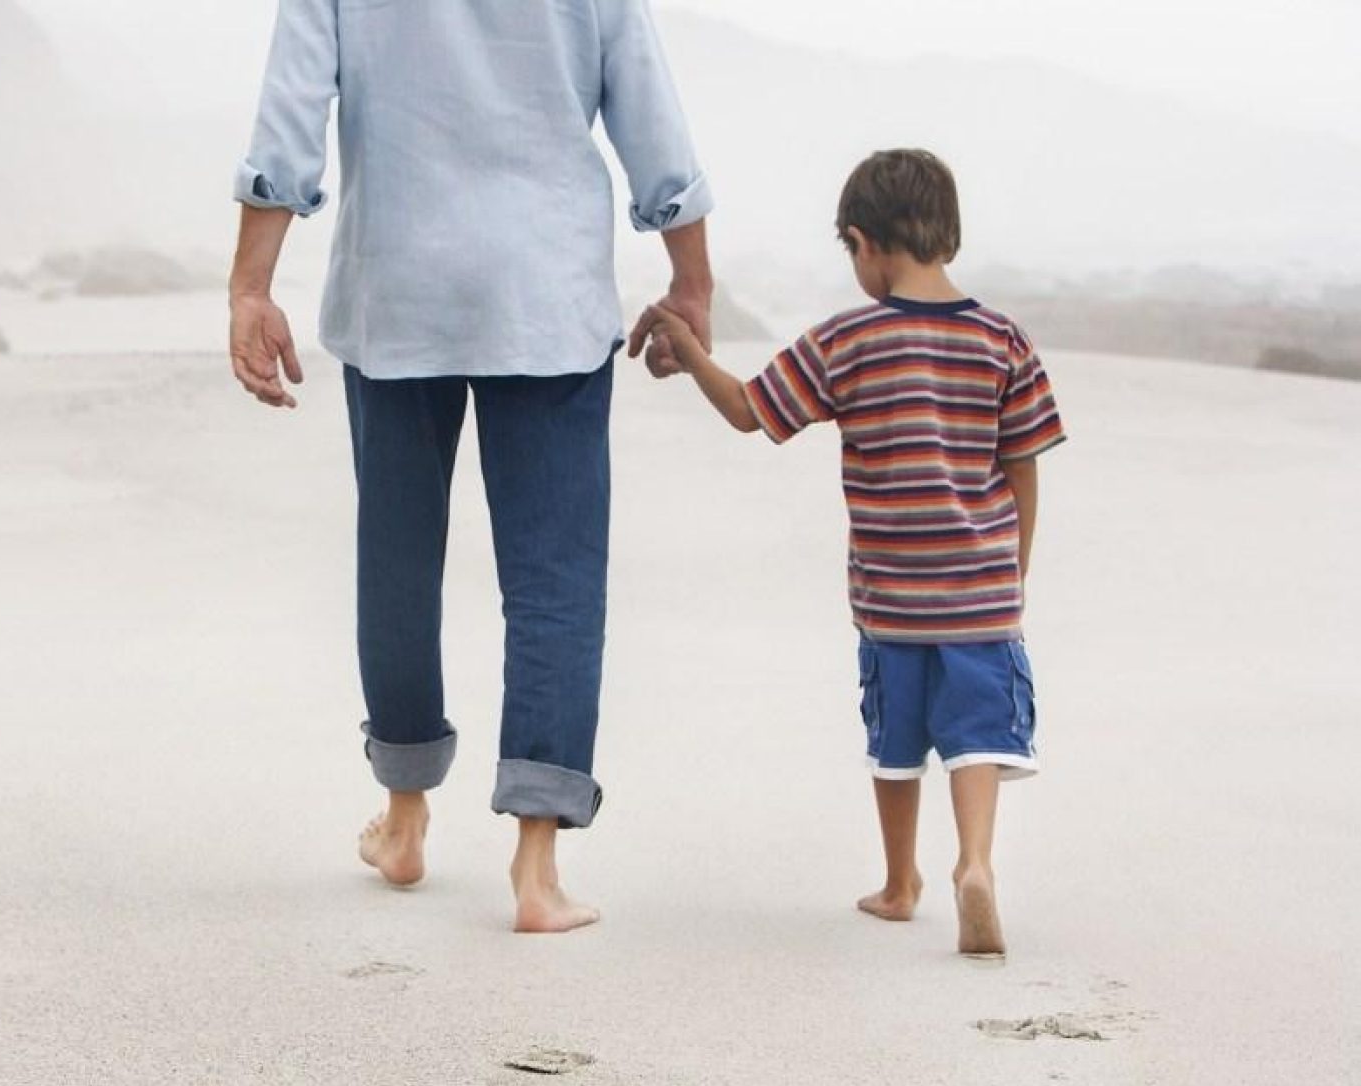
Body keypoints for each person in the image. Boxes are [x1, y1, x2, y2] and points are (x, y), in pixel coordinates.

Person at [229, 1, 713, 932]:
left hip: (398, 291)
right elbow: (649, 111)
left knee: (399, 560)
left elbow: (289, 119)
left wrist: (252, 285)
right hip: (548, 294)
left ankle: (405, 817)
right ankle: (536, 866)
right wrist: (690, 276)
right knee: (556, 579)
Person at [635, 150, 1066, 955]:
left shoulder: (848, 339)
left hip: (891, 597)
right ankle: (974, 863)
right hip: (981, 595)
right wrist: (1018, 565)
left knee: (895, 741)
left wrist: (687, 349)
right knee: (977, 735)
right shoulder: (1003, 341)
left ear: (866, 244)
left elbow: (750, 410)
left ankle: (900, 882)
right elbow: (1024, 463)